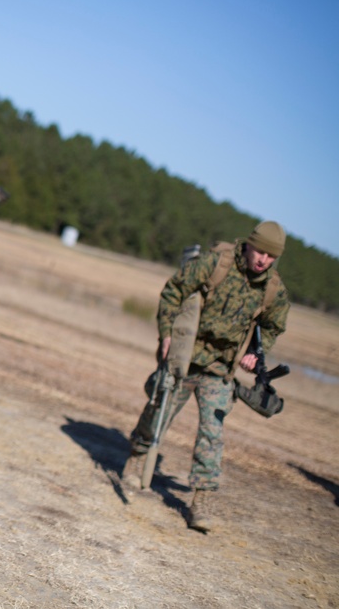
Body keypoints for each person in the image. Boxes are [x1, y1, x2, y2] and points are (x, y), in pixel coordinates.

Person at [121, 221, 290, 532]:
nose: (263, 260)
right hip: (187, 354)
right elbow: (173, 291)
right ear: (249, 244)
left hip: (220, 368)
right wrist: (167, 335)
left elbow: (273, 325)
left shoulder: (272, 290)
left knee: (212, 433)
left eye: (271, 256)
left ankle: (202, 500)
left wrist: (256, 351)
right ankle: (136, 458)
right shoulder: (216, 264)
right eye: (260, 252)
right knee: (160, 410)